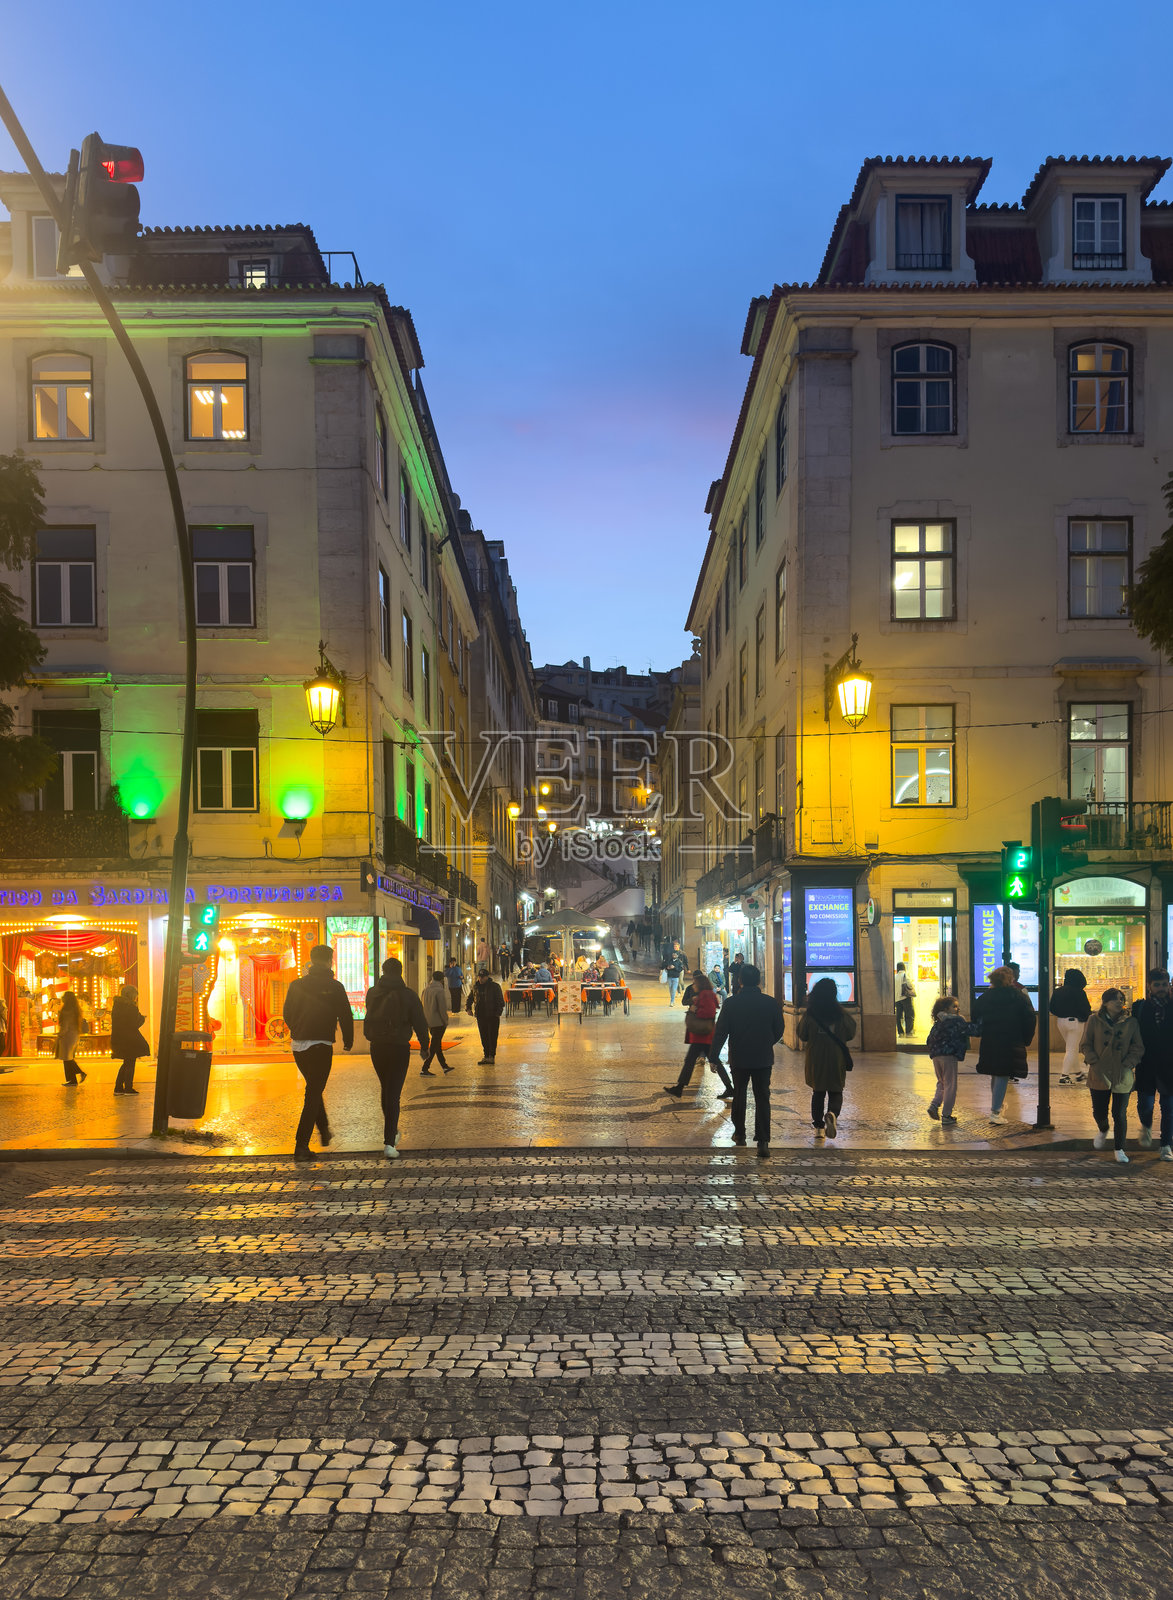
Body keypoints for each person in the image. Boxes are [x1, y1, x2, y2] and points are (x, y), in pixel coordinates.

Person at [282, 944, 354, 1160]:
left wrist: (297, 1029)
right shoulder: (335, 986)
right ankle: (301, 1146)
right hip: (321, 1045)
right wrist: (348, 1041)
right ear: (330, 961)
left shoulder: (296, 985)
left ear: (312, 961)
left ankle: (324, 1130)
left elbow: (287, 1013)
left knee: (314, 1088)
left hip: (299, 1047)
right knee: (313, 1092)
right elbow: (345, 1015)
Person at [709, 964, 784, 1157]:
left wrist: (714, 1056)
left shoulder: (731, 1003)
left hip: (739, 1056)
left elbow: (721, 1031)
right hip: (763, 1057)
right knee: (762, 1097)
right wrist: (766, 1042)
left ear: (740, 980)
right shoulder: (770, 1003)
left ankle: (740, 1134)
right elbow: (779, 1029)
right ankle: (763, 1141)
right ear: (758, 981)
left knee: (740, 1094)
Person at [364, 956, 428, 1159]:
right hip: (399, 1047)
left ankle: (392, 1133)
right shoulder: (409, 995)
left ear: (383, 971)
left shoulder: (372, 993)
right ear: (401, 972)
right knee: (393, 1093)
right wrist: (425, 1046)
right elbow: (420, 1022)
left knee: (386, 1089)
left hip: (377, 1047)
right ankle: (389, 1142)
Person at [1081, 987, 1144, 1164]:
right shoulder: (1094, 1020)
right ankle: (1103, 1129)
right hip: (1099, 1073)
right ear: (1105, 1002)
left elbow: (1138, 1046)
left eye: (1121, 999)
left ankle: (1119, 1148)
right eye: (1114, 999)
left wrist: (1128, 1063)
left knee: (1120, 1113)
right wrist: (1094, 1061)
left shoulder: (1131, 1022)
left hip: (1122, 1073)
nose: (1119, 1002)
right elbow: (1085, 1044)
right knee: (1099, 1111)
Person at [971, 966, 1036, 1125]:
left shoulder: (985, 997)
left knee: (996, 1073)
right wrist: (1026, 1039)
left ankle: (997, 1107)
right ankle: (995, 1111)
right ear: (1010, 979)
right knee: (1003, 1073)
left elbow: (975, 1016)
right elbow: (1029, 1018)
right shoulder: (1018, 997)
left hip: (990, 1039)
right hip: (1011, 1040)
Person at [797, 977, 857, 1140]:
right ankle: (832, 1114)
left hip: (816, 1058)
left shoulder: (811, 1014)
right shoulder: (840, 1014)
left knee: (818, 1092)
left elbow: (802, 1034)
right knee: (836, 1090)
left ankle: (819, 1127)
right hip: (836, 1057)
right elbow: (851, 1033)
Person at [664, 971, 732, 1097]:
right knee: (707, 1060)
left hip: (703, 1035)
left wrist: (694, 1010)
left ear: (700, 984)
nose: (693, 985)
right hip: (703, 1035)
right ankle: (729, 1087)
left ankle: (679, 1088)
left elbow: (709, 1013)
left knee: (692, 1060)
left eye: (695, 983)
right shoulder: (706, 994)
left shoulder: (705, 995)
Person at [1132, 968, 1173, 1160]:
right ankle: (1146, 1126)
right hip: (1146, 1064)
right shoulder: (1139, 1007)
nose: (1161, 988)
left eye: (1164, 984)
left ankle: (1166, 1145)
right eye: (1157, 985)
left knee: (1169, 1108)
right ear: (1149, 986)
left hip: (1169, 1065)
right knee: (1145, 1105)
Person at [925, 995, 968, 1124]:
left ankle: (934, 1105)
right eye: (954, 1006)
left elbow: (929, 1039)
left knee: (942, 1082)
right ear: (946, 1009)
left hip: (936, 1055)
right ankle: (946, 1115)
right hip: (949, 1055)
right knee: (950, 1085)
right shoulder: (956, 1021)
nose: (957, 1009)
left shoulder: (938, 1022)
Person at [1049, 968, 1091, 1085]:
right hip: (1075, 1022)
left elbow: (1052, 1007)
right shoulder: (1079, 992)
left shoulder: (1058, 991)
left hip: (1060, 1022)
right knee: (1071, 1049)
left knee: (1072, 1048)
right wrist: (1084, 1017)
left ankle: (1078, 1073)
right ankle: (1064, 1076)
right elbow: (1085, 1008)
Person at [110, 984, 148, 1095]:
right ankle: (128, 1088)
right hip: (130, 1039)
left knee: (126, 1062)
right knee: (130, 1063)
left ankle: (118, 1087)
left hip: (118, 1038)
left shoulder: (117, 1006)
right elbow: (134, 1024)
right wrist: (142, 1019)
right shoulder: (131, 1007)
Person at [468, 964, 505, 1064]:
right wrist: (468, 1008)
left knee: (492, 1036)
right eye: (479, 977)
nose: (481, 979)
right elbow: (470, 998)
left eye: (483, 977)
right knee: (484, 1036)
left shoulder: (495, 987)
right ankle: (486, 1055)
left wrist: (497, 1013)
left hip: (492, 1016)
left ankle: (491, 1056)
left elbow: (501, 1001)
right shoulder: (476, 987)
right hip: (481, 1016)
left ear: (487, 977)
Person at [420, 969, 453, 1076]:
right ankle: (425, 1068)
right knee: (434, 1046)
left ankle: (444, 1066)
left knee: (437, 1044)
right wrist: (445, 1020)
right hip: (438, 1022)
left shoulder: (425, 990)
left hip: (428, 1021)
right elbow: (442, 1008)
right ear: (442, 980)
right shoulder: (439, 991)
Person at [56, 991, 86, 1086]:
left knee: (67, 1058)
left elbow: (65, 1026)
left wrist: (59, 1034)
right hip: (74, 1035)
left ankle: (76, 1076)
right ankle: (72, 1079)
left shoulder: (66, 1011)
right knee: (68, 1057)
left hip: (67, 1036)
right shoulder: (75, 1010)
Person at [895, 962, 916, 1036]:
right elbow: (909, 985)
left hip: (897, 999)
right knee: (909, 1014)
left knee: (899, 1016)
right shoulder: (905, 975)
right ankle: (909, 1032)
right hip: (905, 997)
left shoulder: (895, 976)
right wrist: (913, 984)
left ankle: (900, 1032)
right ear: (904, 967)